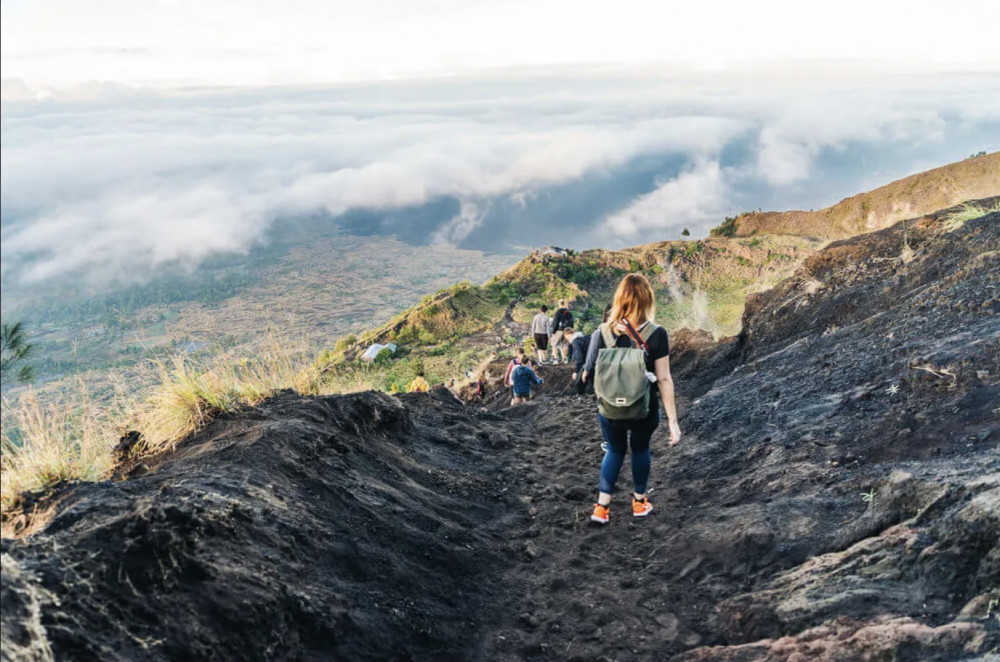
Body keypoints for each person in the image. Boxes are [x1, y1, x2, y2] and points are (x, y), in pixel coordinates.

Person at [584, 274, 681, 525]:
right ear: (648, 299)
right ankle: (639, 502)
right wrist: (673, 421)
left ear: (620, 299)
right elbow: (664, 379)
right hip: (643, 408)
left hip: (608, 409)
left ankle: (601, 508)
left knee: (615, 449)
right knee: (640, 449)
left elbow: (593, 371)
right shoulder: (657, 333)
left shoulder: (601, 333)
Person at [566, 328, 590, 395]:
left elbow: (579, 357)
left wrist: (576, 371)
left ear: (567, 335)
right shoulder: (584, 337)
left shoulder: (575, 341)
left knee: (579, 381)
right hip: (591, 361)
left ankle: (580, 393)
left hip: (587, 363)